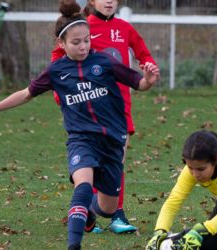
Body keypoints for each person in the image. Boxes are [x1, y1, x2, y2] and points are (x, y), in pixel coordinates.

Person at [0, 0, 159, 249]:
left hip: (112, 141)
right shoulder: (56, 70)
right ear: (61, 44)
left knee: (107, 208)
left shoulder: (105, 63)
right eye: (76, 42)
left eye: (86, 40)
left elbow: (139, 83)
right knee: (83, 186)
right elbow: (26, 93)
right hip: (82, 139)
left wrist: (149, 79)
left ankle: (90, 215)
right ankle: (74, 245)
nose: (84, 46)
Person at [51, 0, 157, 234]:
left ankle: (115, 214)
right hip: (90, 108)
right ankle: (89, 208)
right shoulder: (82, 27)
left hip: (120, 107)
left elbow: (143, 53)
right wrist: (63, 92)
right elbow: (58, 58)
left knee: (117, 160)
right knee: (90, 164)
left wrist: (149, 67)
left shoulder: (124, 28)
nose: (109, 1)